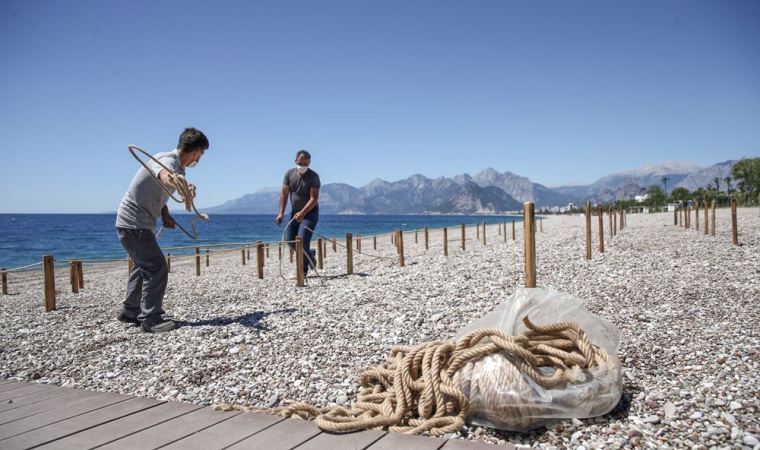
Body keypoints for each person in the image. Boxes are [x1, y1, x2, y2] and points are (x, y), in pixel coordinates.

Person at [115, 127, 209, 332]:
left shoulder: (180, 169)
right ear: (196, 151)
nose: (200, 158)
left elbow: (161, 190)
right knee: (156, 267)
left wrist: (165, 214)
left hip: (135, 223)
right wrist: (173, 180)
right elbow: (163, 175)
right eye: (201, 154)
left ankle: (130, 311)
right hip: (133, 223)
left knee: (143, 266)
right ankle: (151, 318)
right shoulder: (167, 160)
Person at [275, 149, 321, 278]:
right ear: (295, 161)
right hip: (294, 213)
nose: (302, 166)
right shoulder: (289, 174)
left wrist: (303, 212)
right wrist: (281, 213)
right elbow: (284, 194)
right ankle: (310, 254)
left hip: (310, 214)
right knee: (290, 240)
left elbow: (314, 198)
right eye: (300, 163)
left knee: (302, 240)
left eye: (305, 164)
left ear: (309, 163)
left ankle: (303, 272)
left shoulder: (314, 176)